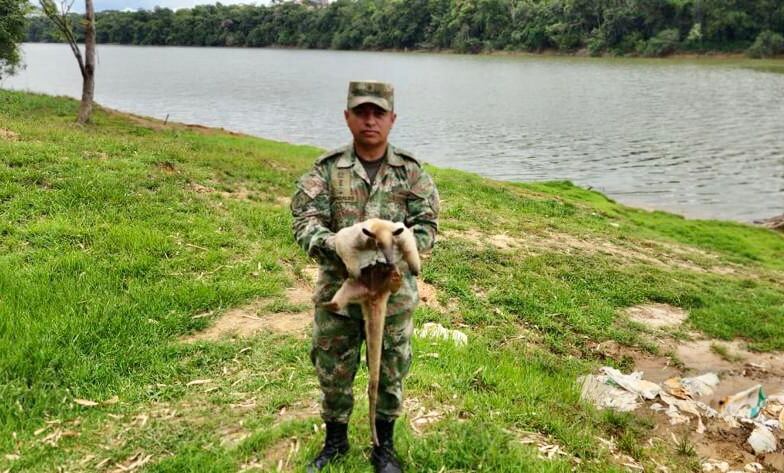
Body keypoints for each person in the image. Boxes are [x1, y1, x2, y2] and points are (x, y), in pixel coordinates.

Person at [290, 81, 439, 473]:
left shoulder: (411, 172)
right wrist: (336, 243)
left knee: (391, 368)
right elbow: (304, 223)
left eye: (378, 113)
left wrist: (406, 244)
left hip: (393, 293)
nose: (369, 120)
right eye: (361, 112)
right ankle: (335, 442)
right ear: (347, 117)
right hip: (339, 291)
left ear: (392, 119)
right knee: (333, 368)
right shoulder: (326, 170)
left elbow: (428, 226)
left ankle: (382, 447)